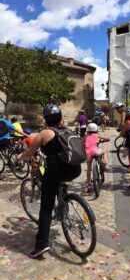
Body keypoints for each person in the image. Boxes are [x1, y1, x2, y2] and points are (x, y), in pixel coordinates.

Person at [18, 104, 81, 258]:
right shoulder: (68, 130)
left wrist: (21, 157)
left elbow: (30, 152)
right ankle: (63, 207)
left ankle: (41, 245)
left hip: (55, 172)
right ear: (60, 117)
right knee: (61, 184)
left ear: (46, 119)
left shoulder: (44, 133)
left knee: (46, 208)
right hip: (75, 169)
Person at [84, 122, 109, 193]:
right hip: (95, 151)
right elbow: (107, 138)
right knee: (104, 152)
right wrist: (106, 139)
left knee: (89, 169)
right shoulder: (97, 135)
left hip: (88, 153)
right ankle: (104, 161)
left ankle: (89, 185)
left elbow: (82, 143)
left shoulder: (86, 135)